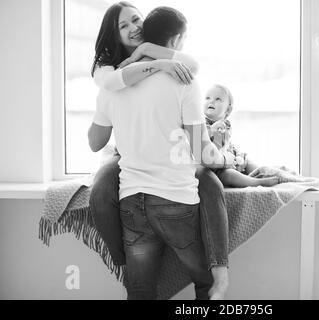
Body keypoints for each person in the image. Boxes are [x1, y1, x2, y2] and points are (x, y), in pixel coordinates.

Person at [88, 6, 238, 300]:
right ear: (178, 40)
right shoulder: (185, 81)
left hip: (132, 200)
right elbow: (201, 152)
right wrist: (226, 158)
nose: (133, 27)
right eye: (124, 25)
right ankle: (219, 277)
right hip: (175, 200)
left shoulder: (112, 85)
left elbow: (95, 141)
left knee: (140, 291)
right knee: (206, 286)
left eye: (136, 20)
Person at [203, 84, 281, 187]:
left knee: (249, 162)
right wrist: (212, 130)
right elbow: (200, 140)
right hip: (217, 169)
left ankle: (261, 174)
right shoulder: (202, 123)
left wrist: (238, 156)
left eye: (218, 99)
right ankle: (257, 182)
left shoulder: (226, 125)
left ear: (228, 110)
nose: (211, 101)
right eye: (207, 98)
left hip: (231, 159)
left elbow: (227, 145)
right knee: (230, 175)